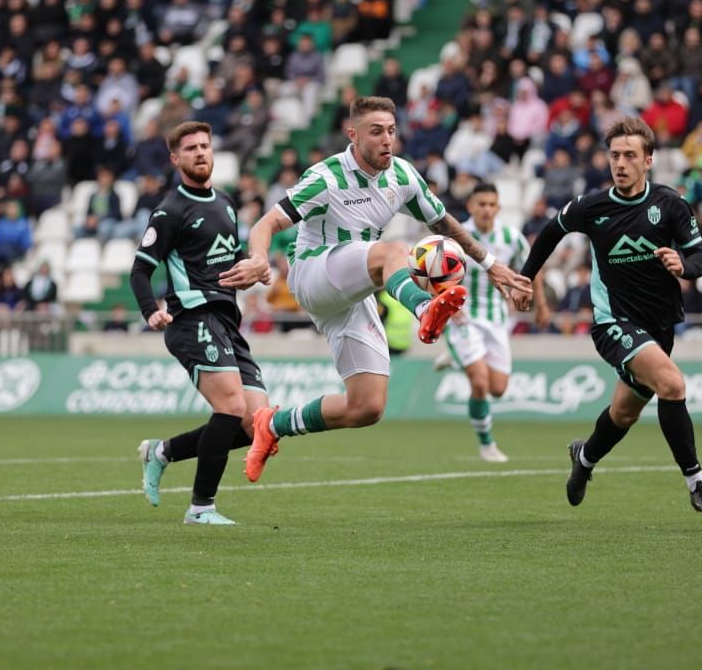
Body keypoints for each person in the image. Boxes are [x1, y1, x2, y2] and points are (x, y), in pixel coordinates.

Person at [222, 96, 531, 484]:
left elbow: (443, 222)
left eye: (391, 130)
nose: (387, 139)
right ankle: (423, 309)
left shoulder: (402, 176)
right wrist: (259, 257)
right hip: (314, 271)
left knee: (367, 406)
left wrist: (490, 264)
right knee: (395, 251)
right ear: (352, 135)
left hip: (355, 285)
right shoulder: (327, 176)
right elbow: (266, 223)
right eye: (376, 131)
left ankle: (273, 425)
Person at [512, 117, 702, 518]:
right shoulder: (591, 207)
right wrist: (525, 279)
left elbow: (699, 258)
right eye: (614, 155)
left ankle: (585, 458)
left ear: (648, 160)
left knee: (623, 414)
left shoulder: (671, 204)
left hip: (659, 328)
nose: (620, 163)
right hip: (614, 323)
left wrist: (683, 264)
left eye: (630, 155)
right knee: (671, 383)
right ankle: (697, 484)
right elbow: (549, 232)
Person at [132, 122, 274, 526]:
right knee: (229, 406)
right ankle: (200, 508)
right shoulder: (170, 210)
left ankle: (162, 452)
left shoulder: (226, 203)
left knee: (253, 425)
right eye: (191, 148)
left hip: (227, 321)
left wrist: (255, 269)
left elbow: (229, 260)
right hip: (191, 318)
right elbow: (139, 272)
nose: (200, 153)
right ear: (176, 159)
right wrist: (150, 311)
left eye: (205, 146)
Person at [433, 182, 550, 462]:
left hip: (496, 319)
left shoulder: (511, 237)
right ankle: (487, 444)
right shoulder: (455, 236)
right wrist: (446, 304)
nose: (486, 209)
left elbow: (532, 269)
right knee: (481, 384)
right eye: (480, 204)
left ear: (498, 207)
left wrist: (541, 305)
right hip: (463, 318)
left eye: (491, 204)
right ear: (471, 206)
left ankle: (454, 357)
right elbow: (431, 274)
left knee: (499, 389)